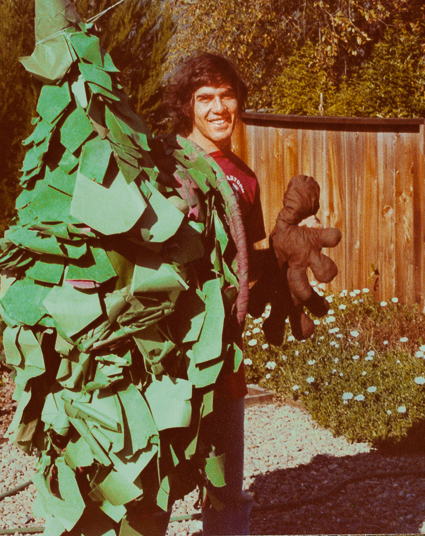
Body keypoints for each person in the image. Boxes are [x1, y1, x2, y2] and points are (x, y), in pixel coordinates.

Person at [165, 52, 266, 536]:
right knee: (157, 472)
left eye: (227, 95)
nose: (218, 107)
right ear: (187, 106)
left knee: (225, 474)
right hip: (171, 346)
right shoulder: (167, 164)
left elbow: (253, 263)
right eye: (205, 97)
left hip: (226, 347)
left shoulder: (245, 177)